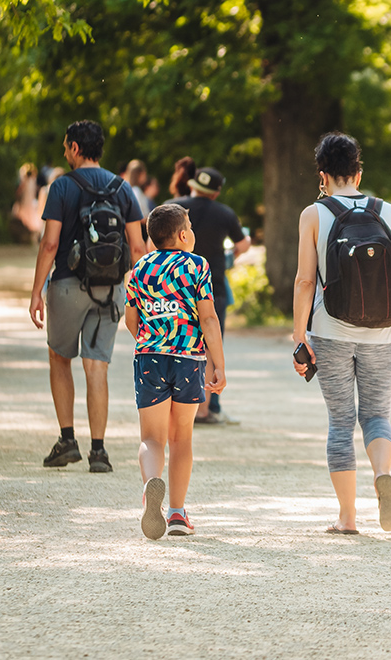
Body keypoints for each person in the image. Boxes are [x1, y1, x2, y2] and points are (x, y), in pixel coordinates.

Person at [291, 132, 391, 534]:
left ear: (323, 176)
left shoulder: (314, 214)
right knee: (376, 415)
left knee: (341, 423)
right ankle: (382, 475)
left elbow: (306, 282)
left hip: (331, 330)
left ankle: (348, 518)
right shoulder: (385, 210)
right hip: (386, 332)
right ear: (358, 172)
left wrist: (299, 335)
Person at [29, 120, 146, 474]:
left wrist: (37, 292)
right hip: (110, 291)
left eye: (67, 147)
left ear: (76, 149)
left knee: (59, 357)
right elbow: (138, 248)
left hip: (66, 284)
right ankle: (99, 451)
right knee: (97, 366)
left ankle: (67, 440)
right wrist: (137, 295)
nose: (65, 153)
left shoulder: (61, 187)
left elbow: (50, 243)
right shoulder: (123, 188)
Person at [125, 203, 228, 539]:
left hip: (150, 357)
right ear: (184, 234)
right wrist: (219, 364)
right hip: (188, 359)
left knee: (151, 438)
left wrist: (150, 339)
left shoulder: (139, 269)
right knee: (181, 437)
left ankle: (152, 484)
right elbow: (209, 318)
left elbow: (130, 319)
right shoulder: (197, 265)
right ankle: (177, 513)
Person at [169, 165, 250, 425]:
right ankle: (209, 407)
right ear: (215, 193)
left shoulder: (173, 207)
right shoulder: (224, 213)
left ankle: (177, 404)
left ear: (193, 185)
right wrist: (230, 257)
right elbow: (243, 244)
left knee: (176, 343)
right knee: (211, 346)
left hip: (175, 288)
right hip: (211, 286)